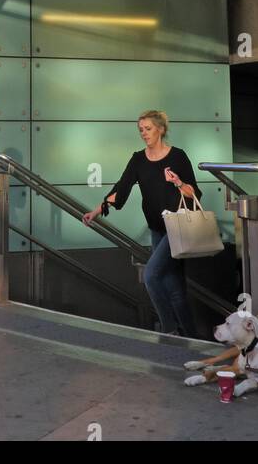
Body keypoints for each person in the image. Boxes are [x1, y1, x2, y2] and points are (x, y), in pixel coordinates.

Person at [82, 110, 200, 337]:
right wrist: (97, 210)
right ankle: (193, 338)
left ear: (161, 129)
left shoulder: (177, 157)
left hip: (177, 229)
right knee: (174, 288)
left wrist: (177, 182)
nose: (144, 134)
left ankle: (170, 331)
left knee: (151, 275)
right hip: (157, 228)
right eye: (141, 130)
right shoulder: (138, 159)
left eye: (148, 129)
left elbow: (192, 192)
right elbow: (122, 187)